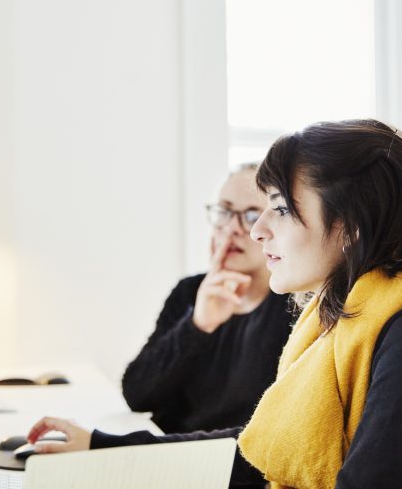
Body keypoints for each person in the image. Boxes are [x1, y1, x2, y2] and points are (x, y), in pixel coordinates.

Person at [25, 120, 402, 488]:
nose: (256, 229)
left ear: (351, 226)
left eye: (279, 208)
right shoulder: (340, 324)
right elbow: (258, 453)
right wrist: (101, 447)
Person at [121, 163, 294, 436]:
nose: (232, 228)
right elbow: (137, 395)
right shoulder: (190, 291)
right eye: (225, 211)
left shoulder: (294, 307)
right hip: (162, 453)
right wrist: (197, 325)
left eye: (251, 215)